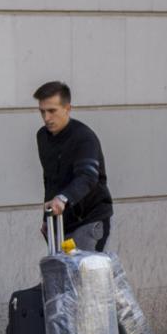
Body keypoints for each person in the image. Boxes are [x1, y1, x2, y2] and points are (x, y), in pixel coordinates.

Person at [34, 81, 113, 251]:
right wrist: (46, 218)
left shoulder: (83, 137)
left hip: (89, 219)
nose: (47, 118)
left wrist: (62, 199)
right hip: (62, 219)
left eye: (52, 111)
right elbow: (50, 179)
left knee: (83, 272)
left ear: (68, 108)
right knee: (60, 273)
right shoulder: (42, 137)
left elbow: (88, 176)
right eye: (42, 111)